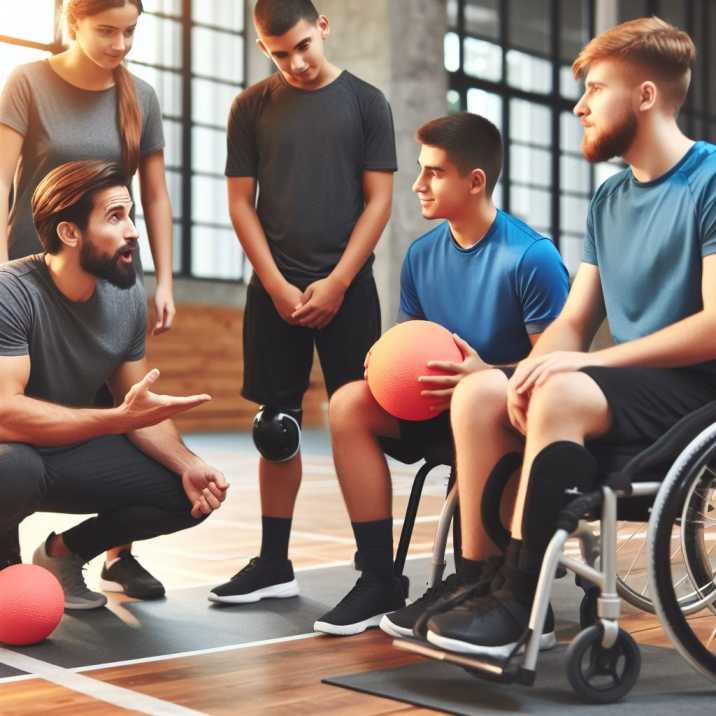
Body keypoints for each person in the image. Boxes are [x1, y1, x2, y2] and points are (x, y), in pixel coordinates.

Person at [425, 17, 716, 658]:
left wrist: (585, 366)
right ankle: (478, 583)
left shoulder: (710, 179)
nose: (579, 105)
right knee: (478, 396)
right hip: (628, 388)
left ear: (644, 95)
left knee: (561, 394)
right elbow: (573, 321)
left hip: (699, 394)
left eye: (596, 89)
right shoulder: (608, 199)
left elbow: (713, 325)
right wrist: (529, 367)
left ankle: (521, 604)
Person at [311, 112, 569, 636]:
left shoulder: (532, 257)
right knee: (348, 404)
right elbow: (416, 348)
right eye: (420, 170)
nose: (418, 184)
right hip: (436, 411)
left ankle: (491, 586)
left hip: (508, 420)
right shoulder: (421, 255)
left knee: (484, 397)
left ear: (475, 181)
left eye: (433, 172)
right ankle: (379, 578)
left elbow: (556, 367)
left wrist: (486, 373)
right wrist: (385, 362)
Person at [210, 0, 396, 604]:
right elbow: (241, 204)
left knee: (356, 422)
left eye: (302, 46)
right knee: (275, 426)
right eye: (277, 53)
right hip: (275, 292)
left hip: (349, 289)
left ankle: (377, 570)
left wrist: (339, 281)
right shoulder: (249, 108)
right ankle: (272, 562)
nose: (295, 62)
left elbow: (379, 202)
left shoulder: (368, 102)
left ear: (323, 27)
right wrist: (276, 285)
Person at [0, 0, 177, 599]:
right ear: (70, 24)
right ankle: (7, 559)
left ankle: (109, 554)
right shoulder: (27, 82)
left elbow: (153, 196)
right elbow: (1, 181)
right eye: (107, 31)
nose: (121, 44)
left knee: (125, 409)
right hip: (35, 275)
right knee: (19, 418)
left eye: (131, 31)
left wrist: (166, 281)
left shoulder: (141, 96)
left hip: (105, 273)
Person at [0, 160, 227, 609]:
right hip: (14, 453)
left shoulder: (125, 297)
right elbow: (6, 415)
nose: (134, 232)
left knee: (184, 491)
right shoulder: (11, 291)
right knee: (13, 468)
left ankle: (63, 554)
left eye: (131, 216)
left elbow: (134, 406)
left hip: (69, 453)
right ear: (69, 233)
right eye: (115, 217)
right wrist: (115, 419)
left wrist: (187, 463)